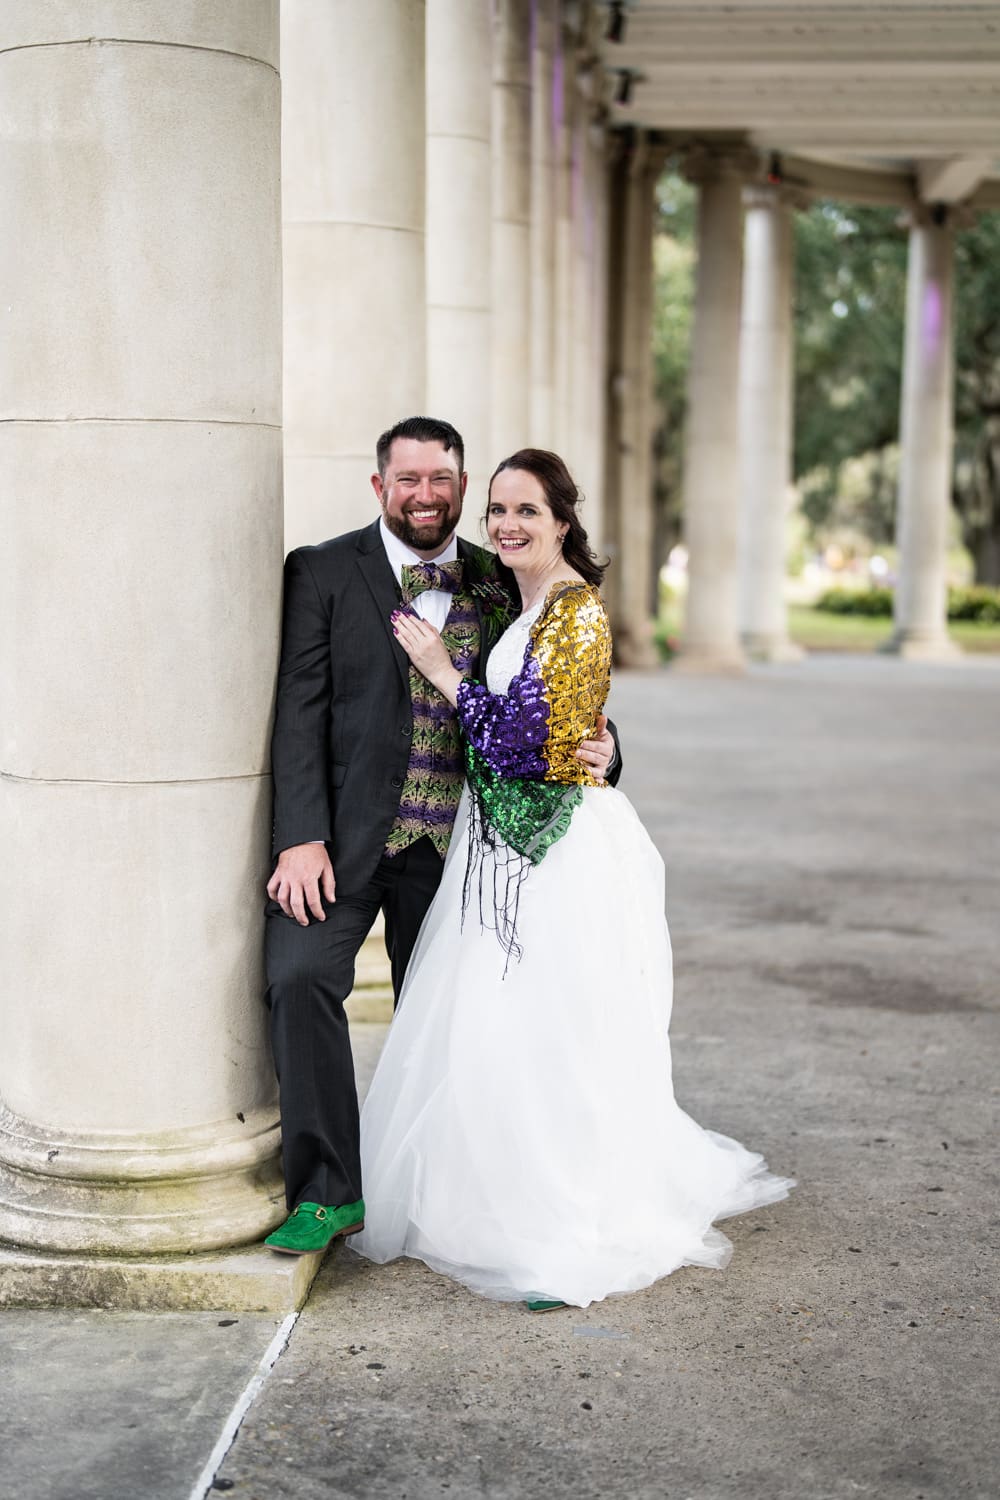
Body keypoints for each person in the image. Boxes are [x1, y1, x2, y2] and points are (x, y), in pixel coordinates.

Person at [351, 449, 793, 1310]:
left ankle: (565, 1225)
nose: (509, 525)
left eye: (529, 511)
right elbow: (559, 717)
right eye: (499, 512)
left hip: (558, 854)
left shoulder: (578, 611)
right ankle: (489, 1198)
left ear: (563, 522)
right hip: (495, 850)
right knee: (490, 1028)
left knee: (555, 1030)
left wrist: (446, 674)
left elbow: (527, 747)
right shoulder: (514, 600)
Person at [262, 419, 619, 1255]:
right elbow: (297, 711)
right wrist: (299, 836)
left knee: (475, 1022)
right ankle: (327, 1191)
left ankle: (462, 1195)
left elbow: (553, 690)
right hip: (344, 842)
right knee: (298, 978)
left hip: (463, 851)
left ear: (461, 489)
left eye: (443, 479)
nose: (427, 494)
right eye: (409, 478)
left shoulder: (506, 574)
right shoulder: (321, 572)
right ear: (379, 486)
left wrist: (607, 747)